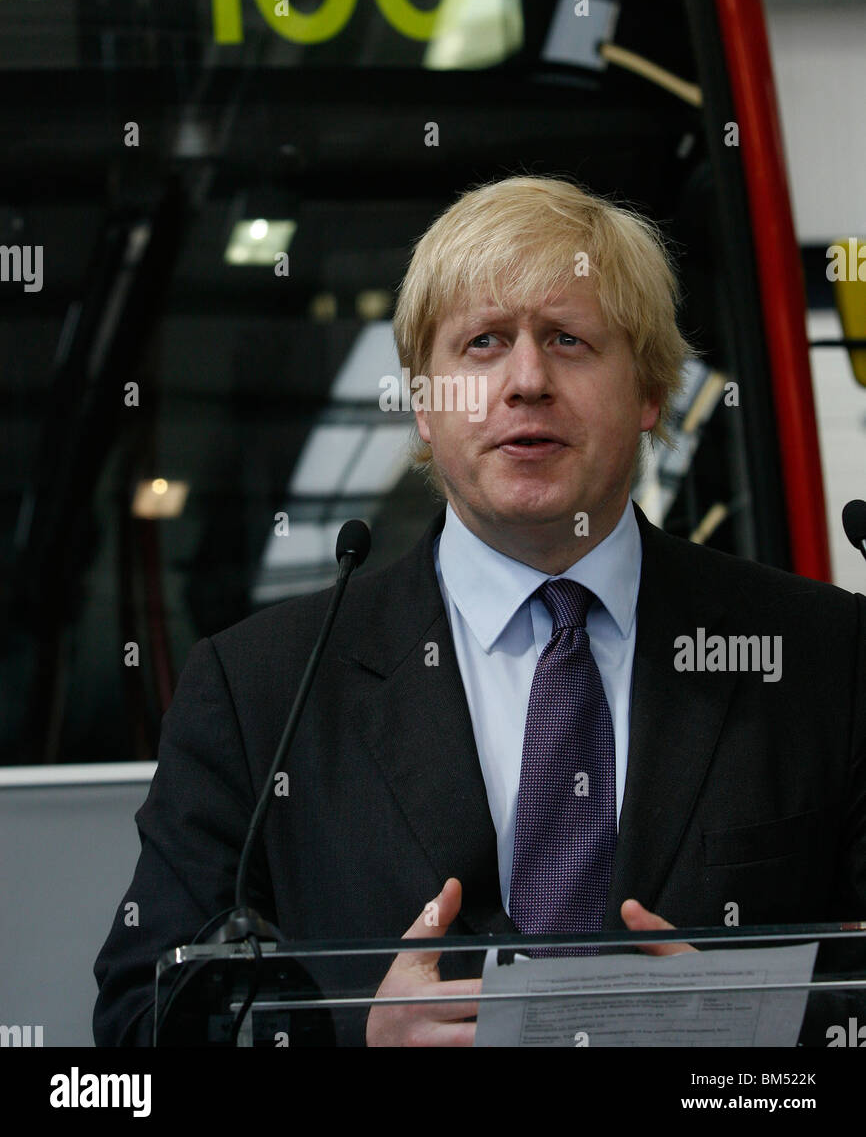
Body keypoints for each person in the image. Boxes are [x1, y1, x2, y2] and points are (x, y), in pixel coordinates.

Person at [93, 175, 866, 1048]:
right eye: (484, 343)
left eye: (571, 340)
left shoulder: (823, 656)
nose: (527, 380)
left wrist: (755, 1035)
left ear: (651, 393)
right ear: (425, 404)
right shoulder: (261, 686)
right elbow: (140, 1017)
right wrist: (353, 1040)